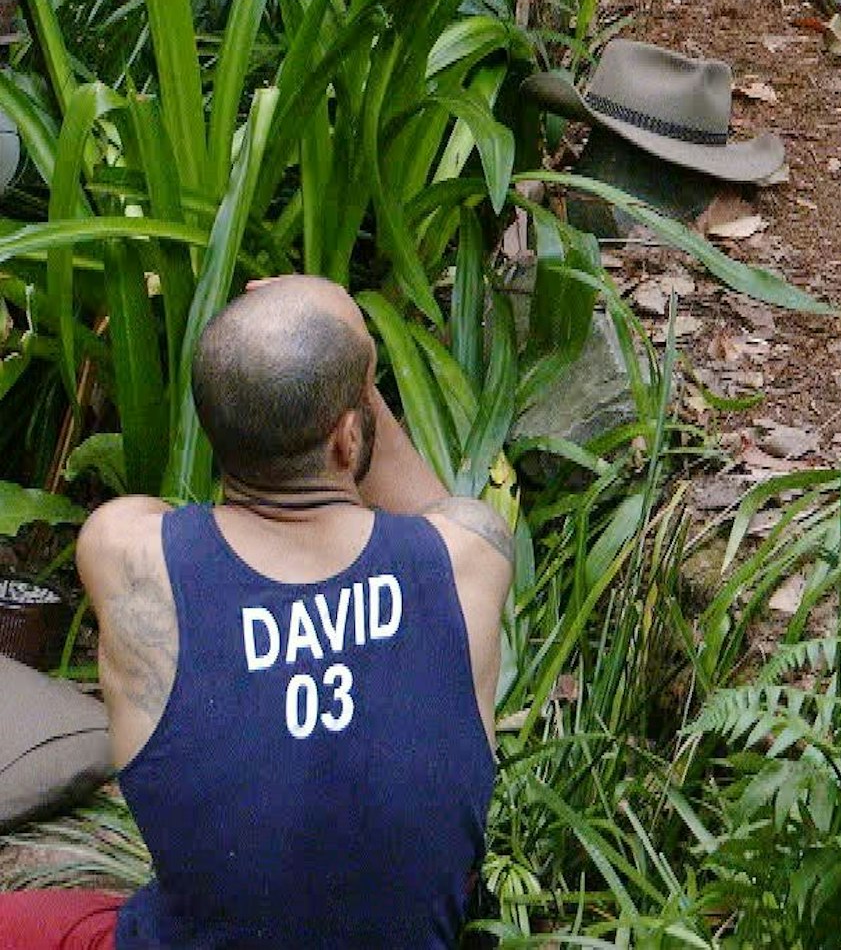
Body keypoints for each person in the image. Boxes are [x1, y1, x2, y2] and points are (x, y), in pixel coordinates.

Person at [0, 276, 513, 950]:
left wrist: (276, 374)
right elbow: (437, 513)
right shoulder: (468, 558)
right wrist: (344, 370)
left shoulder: (126, 551)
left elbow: (197, 508)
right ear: (347, 438)